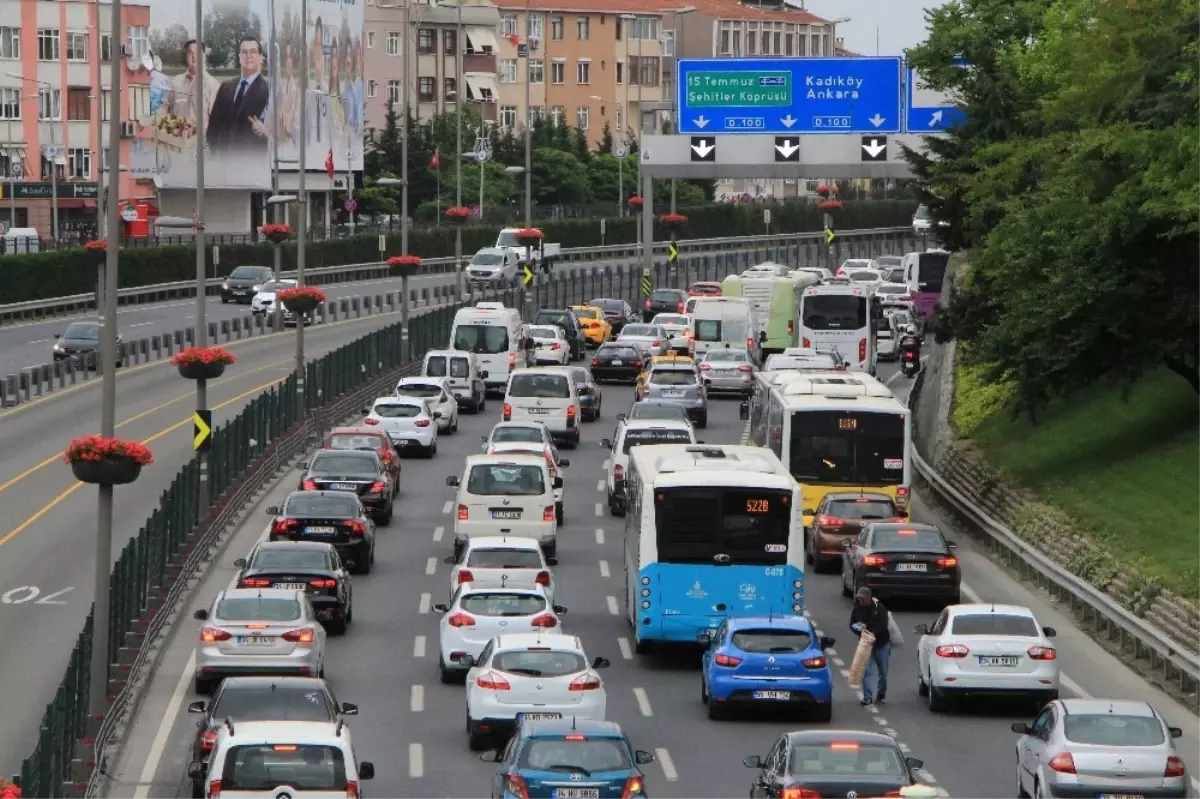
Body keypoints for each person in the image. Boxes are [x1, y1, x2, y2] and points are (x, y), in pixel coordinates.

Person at [207, 36, 271, 153]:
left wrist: (266, 132)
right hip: (222, 162)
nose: (248, 56)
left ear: (260, 57)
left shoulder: (268, 90)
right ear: (239, 56)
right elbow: (213, 127)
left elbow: (275, 135)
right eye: (244, 52)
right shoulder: (225, 86)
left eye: (253, 51)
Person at [849, 586, 891, 705]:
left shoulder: (879, 607)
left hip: (882, 643)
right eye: (859, 598)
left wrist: (873, 633)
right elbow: (852, 624)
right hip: (866, 644)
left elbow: (883, 623)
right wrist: (859, 631)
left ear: (869, 598)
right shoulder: (857, 609)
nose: (860, 600)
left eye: (862, 598)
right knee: (867, 670)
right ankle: (867, 697)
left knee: (883, 672)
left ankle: (881, 695)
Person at [169, 40, 220, 127]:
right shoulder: (175, 81)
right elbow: (169, 111)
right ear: (186, 56)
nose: (194, 56)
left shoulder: (213, 85)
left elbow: (217, 121)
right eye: (190, 52)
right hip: (177, 138)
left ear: (204, 56)